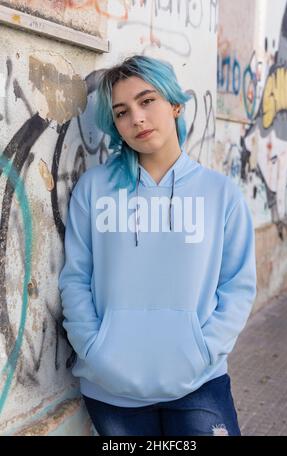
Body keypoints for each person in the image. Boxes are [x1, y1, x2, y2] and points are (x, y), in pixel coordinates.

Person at [58, 54, 257, 436]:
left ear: (175, 104)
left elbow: (238, 285)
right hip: (112, 387)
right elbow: (75, 278)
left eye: (147, 101)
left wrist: (202, 351)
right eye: (121, 112)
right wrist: (97, 352)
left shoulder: (220, 194)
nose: (136, 118)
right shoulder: (94, 189)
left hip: (199, 382)